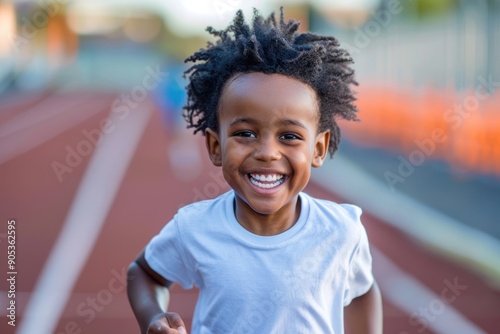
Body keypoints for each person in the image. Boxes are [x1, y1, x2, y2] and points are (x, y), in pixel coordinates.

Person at [127, 8, 382, 334]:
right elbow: (143, 273)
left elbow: (361, 292)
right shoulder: (195, 228)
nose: (266, 153)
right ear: (215, 146)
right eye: (245, 133)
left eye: (289, 136)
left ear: (318, 149)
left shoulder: (342, 231)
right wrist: (153, 317)